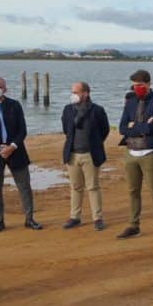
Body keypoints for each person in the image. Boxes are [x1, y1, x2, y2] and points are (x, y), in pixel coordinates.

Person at [0, 78, 41, 232]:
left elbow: (22, 130)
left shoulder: (14, 105)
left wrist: (12, 146)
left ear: (5, 89)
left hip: (16, 150)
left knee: (24, 186)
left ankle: (29, 219)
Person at [117, 70, 153, 244]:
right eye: (134, 85)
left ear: (148, 84)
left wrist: (135, 126)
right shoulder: (130, 102)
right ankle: (133, 225)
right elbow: (122, 128)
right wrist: (142, 126)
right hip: (130, 152)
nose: (136, 88)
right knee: (133, 191)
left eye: (139, 84)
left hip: (150, 153)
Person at [61, 81, 110, 231]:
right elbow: (66, 129)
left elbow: (104, 130)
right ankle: (75, 217)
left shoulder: (97, 110)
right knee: (75, 187)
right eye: (72, 92)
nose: (73, 95)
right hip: (72, 154)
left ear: (85, 93)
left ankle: (97, 218)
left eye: (76, 92)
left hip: (90, 154)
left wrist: (94, 143)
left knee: (93, 187)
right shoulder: (68, 110)